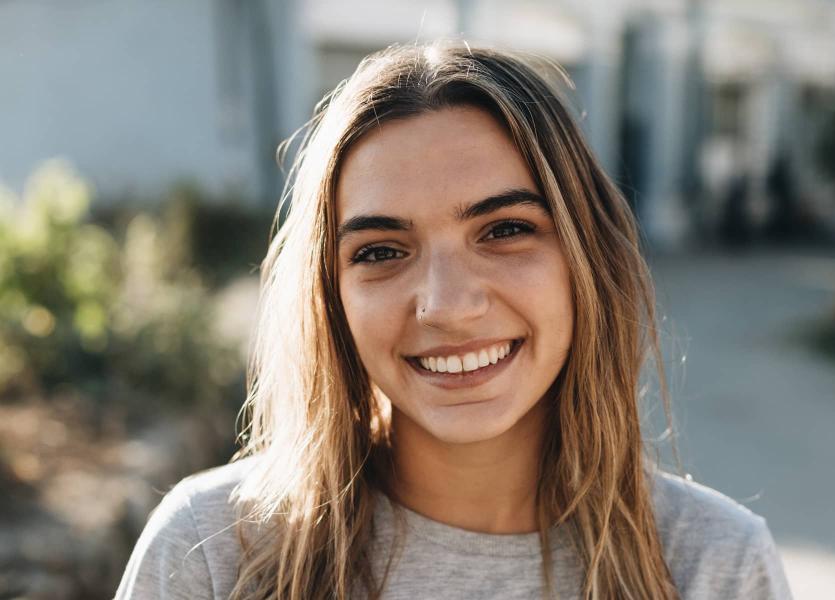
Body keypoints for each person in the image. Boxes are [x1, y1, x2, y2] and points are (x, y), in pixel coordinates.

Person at [115, 42, 792, 600]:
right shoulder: (213, 553)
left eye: (504, 230)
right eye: (381, 251)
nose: (447, 304)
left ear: (588, 258)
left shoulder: (713, 566)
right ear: (331, 294)